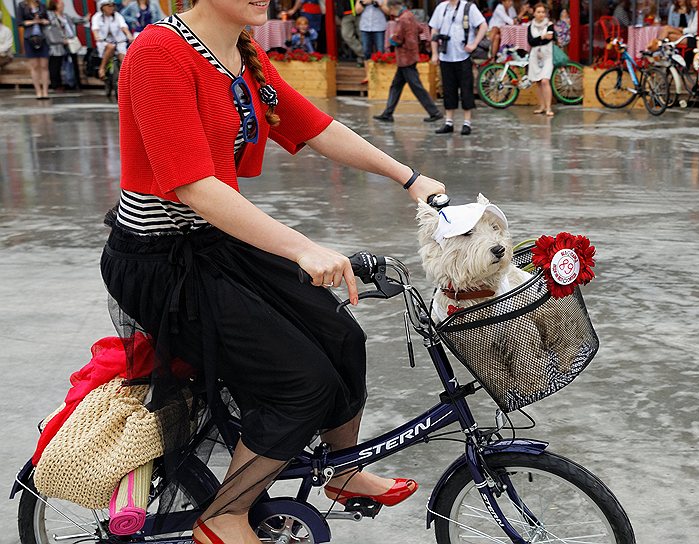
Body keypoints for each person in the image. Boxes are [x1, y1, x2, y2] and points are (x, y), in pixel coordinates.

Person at [103, 0, 447, 540]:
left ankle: (342, 469)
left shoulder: (242, 51)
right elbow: (192, 185)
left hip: (217, 242)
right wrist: (301, 248)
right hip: (163, 263)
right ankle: (223, 517)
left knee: (341, 337)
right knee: (297, 382)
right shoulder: (158, 52)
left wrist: (409, 178)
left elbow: (314, 126)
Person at [373, 0, 443, 122]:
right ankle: (388, 113)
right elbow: (420, 30)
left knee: (416, 87)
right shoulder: (410, 15)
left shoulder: (402, 19)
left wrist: (392, 39)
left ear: (393, 8)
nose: (391, 13)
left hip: (405, 58)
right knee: (396, 86)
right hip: (409, 57)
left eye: (390, 10)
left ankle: (434, 112)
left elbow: (398, 38)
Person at [429, 0, 487, 135]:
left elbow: (483, 25)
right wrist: (434, 53)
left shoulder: (469, 8)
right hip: (446, 56)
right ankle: (448, 121)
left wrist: (474, 44)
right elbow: (434, 30)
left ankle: (467, 122)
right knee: (448, 89)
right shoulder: (441, 8)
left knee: (466, 88)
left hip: (463, 56)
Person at [46, 0, 85, 90]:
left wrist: (85, 19)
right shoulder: (51, 17)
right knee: (56, 63)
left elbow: (74, 20)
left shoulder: (65, 16)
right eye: (60, 3)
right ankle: (56, 84)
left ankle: (76, 83)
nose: (63, 5)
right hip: (58, 43)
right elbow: (50, 31)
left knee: (73, 61)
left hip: (70, 41)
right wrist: (60, 40)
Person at [16, 0, 51, 99]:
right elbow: (20, 22)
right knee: (34, 66)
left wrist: (43, 21)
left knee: (44, 66)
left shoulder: (42, 5)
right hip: (30, 38)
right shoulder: (22, 5)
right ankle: (38, 91)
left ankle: (45, 91)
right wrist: (33, 21)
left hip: (42, 37)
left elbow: (48, 20)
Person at [91, 0, 133, 79]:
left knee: (123, 57)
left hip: (119, 41)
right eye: (108, 6)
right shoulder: (97, 16)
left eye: (112, 6)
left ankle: (125, 77)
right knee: (111, 47)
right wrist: (96, 36)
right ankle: (102, 68)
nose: (111, 8)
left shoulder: (117, 15)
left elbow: (123, 26)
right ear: (103, 7)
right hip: (103, 41)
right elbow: (95, 28)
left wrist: (129, 35)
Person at [527, 2, 555, 116]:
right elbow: (531, 42)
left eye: (543, 12)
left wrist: (539, 39)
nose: (541, 14)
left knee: (545, 80)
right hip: (535, 56)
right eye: (538, 12)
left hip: (547, 55)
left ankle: (548, 107)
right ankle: (541, 106)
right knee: (537, 82)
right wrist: (542, 37)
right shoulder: (530, 26)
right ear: (534, 13)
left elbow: (549, 39)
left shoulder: (549, 25)